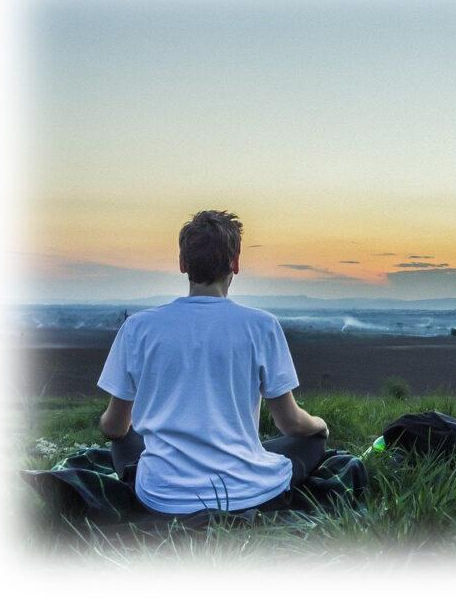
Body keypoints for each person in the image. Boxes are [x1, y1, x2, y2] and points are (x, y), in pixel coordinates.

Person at [96, 210, 329, 516]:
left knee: (125, 438)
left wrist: (125, 429)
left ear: (183, 264)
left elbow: (113, 427)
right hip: (245, 492)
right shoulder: (262, 326)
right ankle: (248, 464)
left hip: (161, 495)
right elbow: (291, 424)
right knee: (311, 442)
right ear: (235, 263)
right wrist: (320, 426)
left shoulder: (138, 327)